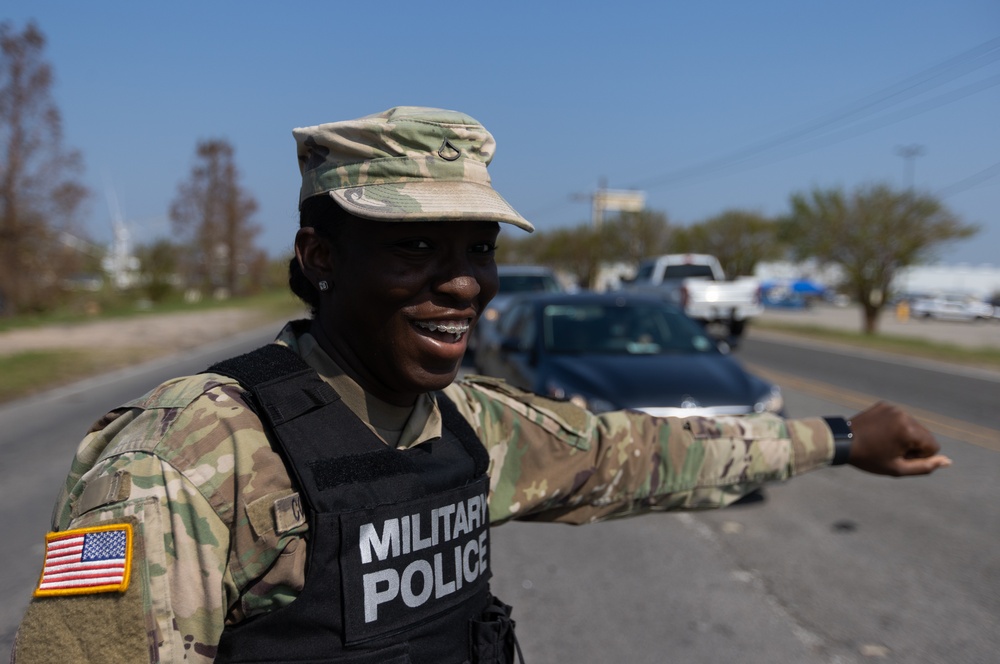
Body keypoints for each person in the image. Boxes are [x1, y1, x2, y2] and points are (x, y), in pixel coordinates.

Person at [9, 106, 951, 664]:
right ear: (320, 256)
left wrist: (838, 437)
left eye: (479, 248)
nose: (463, 282)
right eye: (415, 246)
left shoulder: (464, 423)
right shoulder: (182, 460)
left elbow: (632, 456)